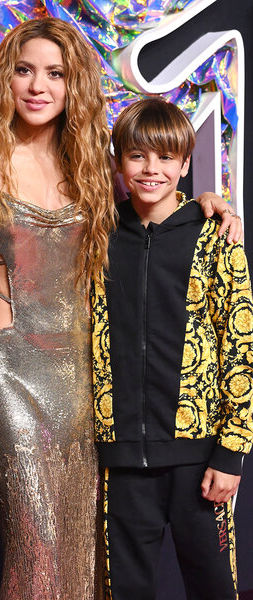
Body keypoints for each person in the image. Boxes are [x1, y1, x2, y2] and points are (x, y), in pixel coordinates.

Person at [0, 18, 243, 600]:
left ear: (74, 85)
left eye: (55, 73)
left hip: (93, 376)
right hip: (9, 374)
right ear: (4, 78)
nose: (38, 86)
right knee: (36, 540)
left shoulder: (92, 158)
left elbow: (150, 206)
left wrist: (209, 200)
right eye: (24, 70)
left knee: (91, 542)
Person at [91, 98, 253, 599]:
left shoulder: (216, 237)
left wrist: (232, 453)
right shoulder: (98, 237)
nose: (151, 169)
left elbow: (241, 348)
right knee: (126, 590)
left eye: (165, 158)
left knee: (211, 587)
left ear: (185, 163)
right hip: (119, 460)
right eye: (138, 156)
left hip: (199, 457)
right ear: (119, 162)